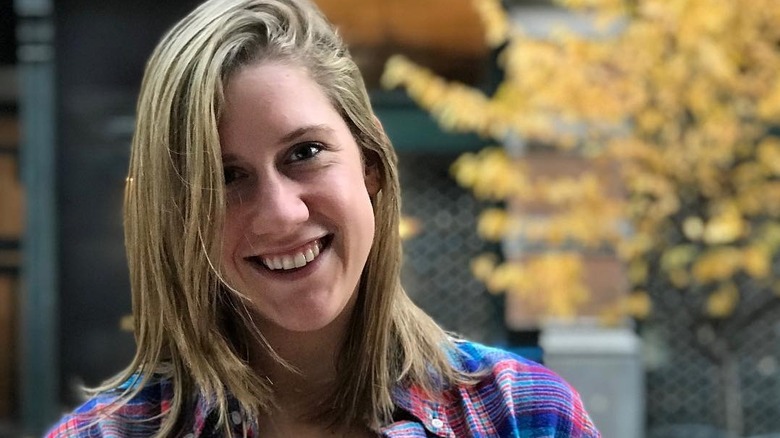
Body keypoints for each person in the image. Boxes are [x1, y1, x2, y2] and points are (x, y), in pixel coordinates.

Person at [47, 0, 601, 436]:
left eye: (305, 152)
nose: (281, 214)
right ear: (178, 215)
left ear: (371, 164)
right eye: (226, 177)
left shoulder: (525, 416)